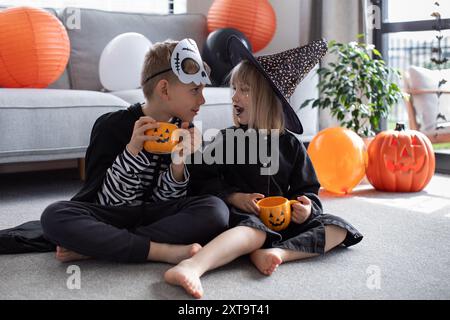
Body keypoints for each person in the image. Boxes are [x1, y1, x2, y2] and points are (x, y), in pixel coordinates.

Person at [164, 36, 364, 299]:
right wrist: (234, 196)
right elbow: (201, 180)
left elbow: (309, 189)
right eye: (234, 89)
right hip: (242, 222)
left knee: (339, 226)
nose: (234, 96)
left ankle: (278, 253)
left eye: (244, 90)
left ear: (267, 100)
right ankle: (193, 266)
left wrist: (305, 208)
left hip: (284, 224)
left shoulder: (291, 145)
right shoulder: (227, 139)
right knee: (253, 232)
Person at [40, 39, 229, 264]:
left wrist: (179, 163)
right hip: (113, 216)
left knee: (215, 210)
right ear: (164, 89)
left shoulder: (185, 131)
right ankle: (159, 251)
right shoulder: (111, 126)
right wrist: (132, 153)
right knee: (54, 215)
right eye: (195, 90)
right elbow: (110, 205)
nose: (203, 99)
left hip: (158, 216)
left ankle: (101, 246)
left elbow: (165, 203)